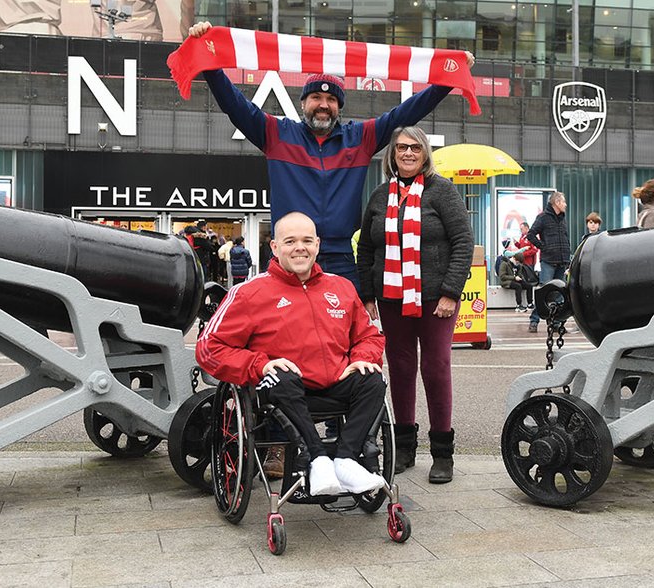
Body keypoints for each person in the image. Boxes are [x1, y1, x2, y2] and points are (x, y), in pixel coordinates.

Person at [184, 22, 473, 289]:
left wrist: (449, 77)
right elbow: (234, 106)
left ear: (339, 106)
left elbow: (409, 111)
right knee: (287, 336)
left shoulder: (360, 138)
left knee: (342, 338)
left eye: (331, 99)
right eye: (316, 98)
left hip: (341, 260)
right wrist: (210, 64)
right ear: (304, 103)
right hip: (290, 255)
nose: (323, 105)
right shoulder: (275, 133)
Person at [196, 212, 388, 496]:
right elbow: (208, 347)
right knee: (280, 376)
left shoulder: (341, 287)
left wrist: (362, 357)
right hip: (281, 390)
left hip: (334, 383)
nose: (300, 247)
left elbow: (369, 336)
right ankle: (317, 459)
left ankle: (346, 460)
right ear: (275, 247)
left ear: (318, 245)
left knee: (372, 379)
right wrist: (260, 365)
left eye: (307, 241)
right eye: (290, 241)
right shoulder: (249, 293)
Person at [356, 126, 474, 484]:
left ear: (425, 154)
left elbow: (463, 241)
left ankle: (442, 453)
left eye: (415, 148)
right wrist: (366, 295)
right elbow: (366, 248)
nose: (407, 153)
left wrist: (451, 291)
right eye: (401, 148)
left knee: (436, 369)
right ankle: (405, 446)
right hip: (391, 298)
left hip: (435, 299)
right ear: (391, 155)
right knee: (401, 370)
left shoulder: (443, 191)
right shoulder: (379, 196)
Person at [525, 192, 570, 333]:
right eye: (563, 202)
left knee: (559, 293)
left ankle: (556, 322)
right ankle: (534, 320)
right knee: (545, 292)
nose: (565, 204)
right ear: (556, 203)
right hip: (548, 261)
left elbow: (565, 237)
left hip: (562, 261)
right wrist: (543, 247)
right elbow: (530, 234)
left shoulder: (562, 219)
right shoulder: (543, 218)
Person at [495, 240, 532, 312]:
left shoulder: (519, 266)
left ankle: (530, 303)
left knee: (529, 286)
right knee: (518, 286)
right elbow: (502, 277)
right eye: (517, 262)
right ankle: (519, 305)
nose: (517, 264)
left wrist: (520, 278)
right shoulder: (504, 263)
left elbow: (519, 274)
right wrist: (514, 278)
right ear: (514, 259)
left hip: (515, 280)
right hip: (506, 282)